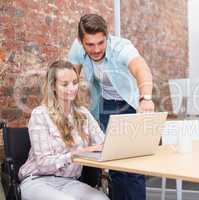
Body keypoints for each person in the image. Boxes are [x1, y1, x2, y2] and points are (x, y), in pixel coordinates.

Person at [68, 14, 154, 200]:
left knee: (133, 166)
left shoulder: (121, 47)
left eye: (101, 42)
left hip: (130, 105)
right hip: (105, 105)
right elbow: (69, 77)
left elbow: (141, 68)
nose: (97, 49)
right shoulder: (77, 48)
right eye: (90, 45)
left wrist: (145, 98)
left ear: (107, 36)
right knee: (114, 164)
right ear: (81, 41)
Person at [18, 60, 109, 200]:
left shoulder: (83, 113)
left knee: (101, 199)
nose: (72, 88)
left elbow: (104, 143)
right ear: (53, 86)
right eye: (65, 84)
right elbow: (43, 164)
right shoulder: (40, 114)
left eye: (75, 82)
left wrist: (109, 148)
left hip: (69, 182)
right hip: (37, 181)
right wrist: (78, 153)